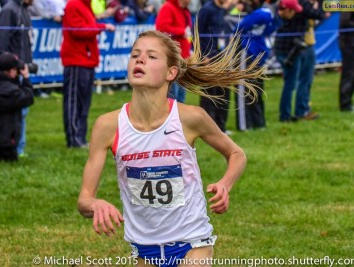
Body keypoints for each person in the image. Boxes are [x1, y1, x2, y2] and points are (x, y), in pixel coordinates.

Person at [77, 30, 264, 266]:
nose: (140, 60)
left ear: (170, 72)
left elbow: (236, 154)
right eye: (135, 55)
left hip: (192, 242)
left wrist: (225, 185)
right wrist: (95, 204)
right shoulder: (108, 125)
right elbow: (83, 201)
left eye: (152, 56)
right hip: (144, 248)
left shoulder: (190, 118)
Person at [235, 0, 302, 131]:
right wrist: (243, 47)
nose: (294, 14)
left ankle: (259, 123)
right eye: (293, 11)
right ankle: (244, 125)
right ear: (286, 10)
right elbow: (239, 28)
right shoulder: (264, 14)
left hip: (259, 55)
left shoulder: (277, 20)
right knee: (244, 89)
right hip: (246, 53)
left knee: (257, 88)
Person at [60, 0, 115, 149]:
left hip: (87, 60)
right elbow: (78, 30)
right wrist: (101, 27)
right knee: (74, 102)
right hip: (76, 60)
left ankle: (80, 137)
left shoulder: (86, 6)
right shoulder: (74, 5)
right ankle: (73, 138)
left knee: (84, 102)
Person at [0, 0, 35, 157]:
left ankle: (19, 147)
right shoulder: (9, 10)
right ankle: (14, 147)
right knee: (14, 111)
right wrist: (8, 68)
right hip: (11, 71)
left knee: (22, 111)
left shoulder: (24, 9)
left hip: (21, 69)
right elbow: (1, 45)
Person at [274, 0, 326, 122]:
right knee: (294, 83)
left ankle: (296, 112)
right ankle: (288, 115)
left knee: (295, 82)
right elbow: (318, 15)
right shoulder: (300, 4)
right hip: (292, 49)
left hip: (291, 47)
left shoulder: (293, 6)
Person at [197, 0, 230, 133]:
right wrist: (202, 55)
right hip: (208, 58)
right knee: (209, 94)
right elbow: (197, 33)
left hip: (220, 56)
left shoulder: (221, 9)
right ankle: (207, 128)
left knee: (223, 92)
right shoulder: (206, 9)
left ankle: (221, 127)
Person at [156, 0, 192, 103]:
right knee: (172, 95)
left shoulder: (184, 10)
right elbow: (162, 29)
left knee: (181, 96)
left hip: (183, 58)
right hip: (172, 58)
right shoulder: (168, 8)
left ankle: (177, 118)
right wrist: (181, 32)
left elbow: (187, 32)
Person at [339, 11, 354, 112]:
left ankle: (348, 100)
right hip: (348, 43)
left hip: (353, 41)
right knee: (349, 73)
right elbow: (344, 22)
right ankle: (345, 104)